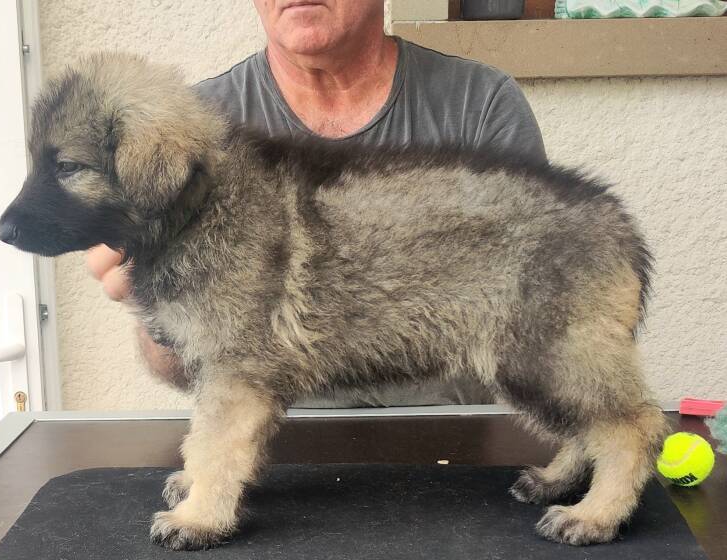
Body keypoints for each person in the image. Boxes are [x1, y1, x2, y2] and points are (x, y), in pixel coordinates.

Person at [87, 0, 547, 406]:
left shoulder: (479, 105)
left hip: (450, 435)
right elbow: (184, 372)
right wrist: (156, 305)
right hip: (270, 442)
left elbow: (536, 320)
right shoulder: (194, 132)